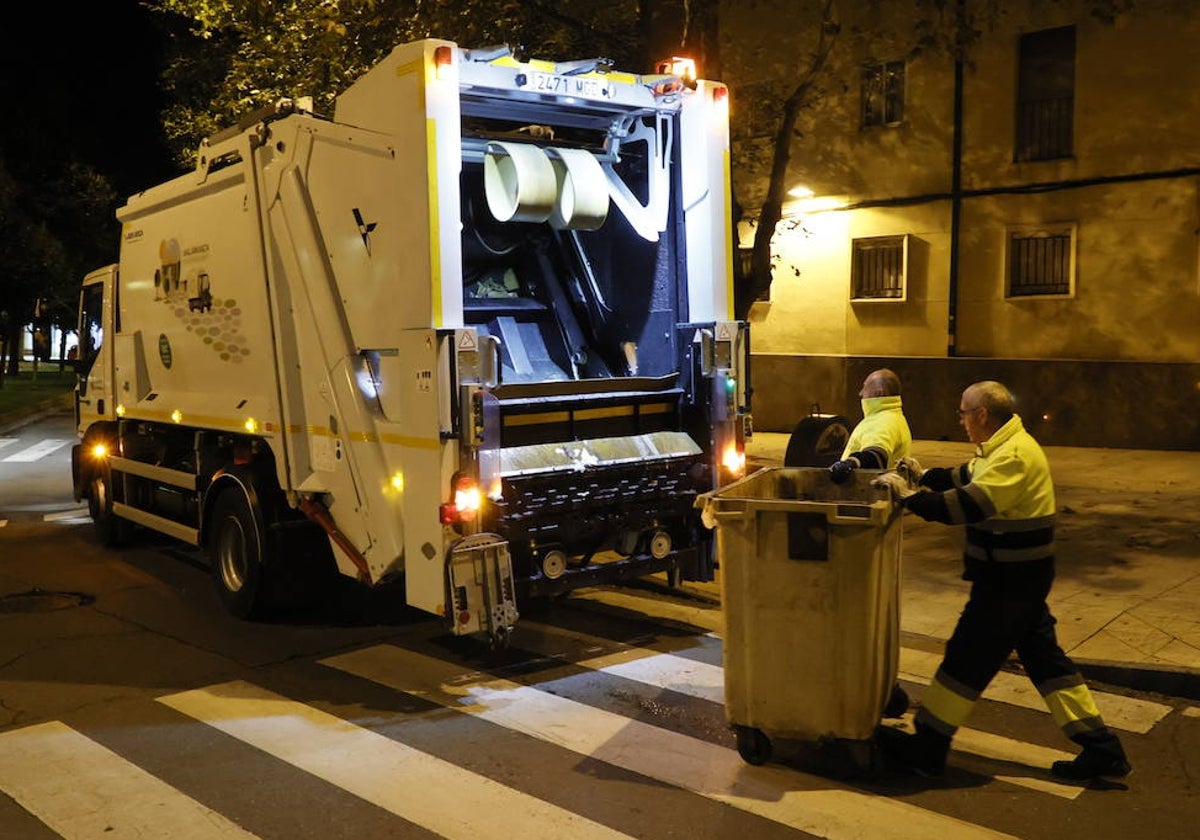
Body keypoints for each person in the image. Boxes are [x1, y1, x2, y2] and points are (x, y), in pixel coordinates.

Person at [872, 381, 1131, 781]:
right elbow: (967, 476)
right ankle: (1100, 746)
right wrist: (926, 476)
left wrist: (908, 497)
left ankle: (928, 745)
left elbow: (969, 503)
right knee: (1047, 663)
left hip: (1009, 584)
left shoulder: (1014, 456)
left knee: (965, 659)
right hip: (1019, 580)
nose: (959, 421)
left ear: (981, 415)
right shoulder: (1004, 445)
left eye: (962, 413)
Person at [828, 368, 912, 483]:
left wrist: (850, 463)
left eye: (865, 387)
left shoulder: (882, 422)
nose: (860, 393)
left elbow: (875, 457)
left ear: (879, 392)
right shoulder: (894, 417)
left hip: (870, 495)